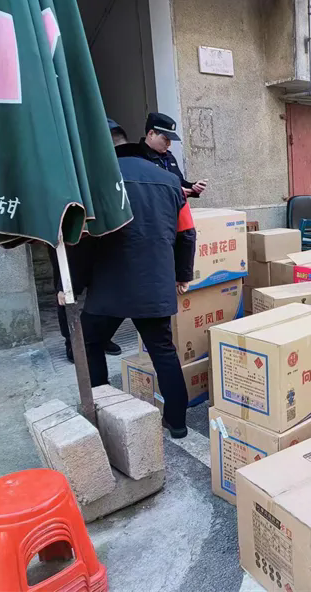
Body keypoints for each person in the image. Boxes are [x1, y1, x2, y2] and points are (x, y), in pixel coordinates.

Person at [80, 119, 197, 439]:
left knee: (91, 342)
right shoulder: (170, 181)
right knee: (163, 351)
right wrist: (182, 275)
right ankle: (177, 423)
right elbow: (187, 233)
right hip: (154, 283)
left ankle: (104, 409)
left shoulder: (95, 180)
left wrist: (76, 284)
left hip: (108, 286)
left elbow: (83, 238)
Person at [47, 242, 120, 363]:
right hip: (64, 240)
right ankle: (71, 341)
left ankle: (102, 336)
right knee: (65, 291)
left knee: (103, 287)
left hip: (96, 238)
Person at [141, 112, 207, 199]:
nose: (169, 144)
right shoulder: (137, 157)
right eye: (166, 139)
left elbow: (179, 182)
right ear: (151, 134)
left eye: (170, 140)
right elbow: (145, 190)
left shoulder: (168, 156)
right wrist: (176, 191)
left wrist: (193, 187)